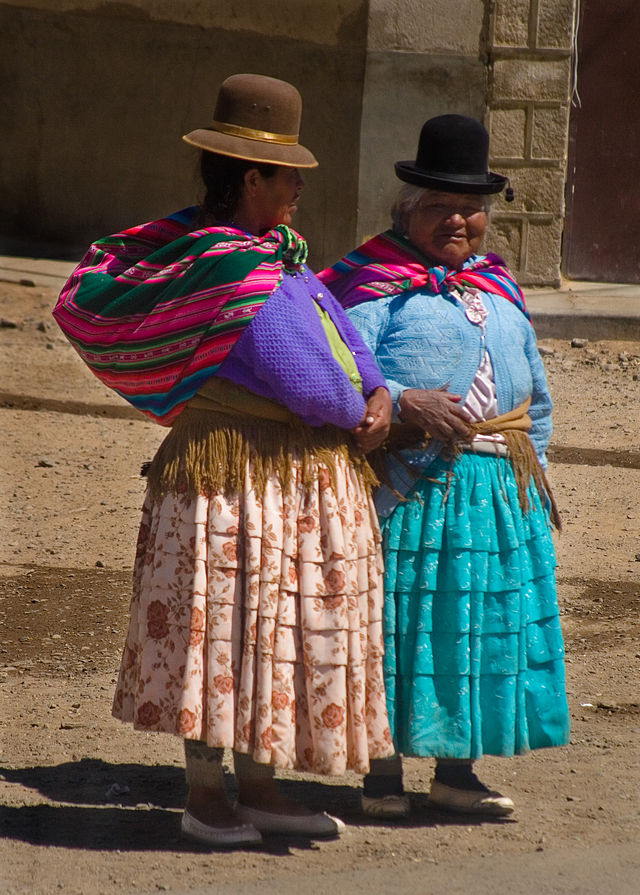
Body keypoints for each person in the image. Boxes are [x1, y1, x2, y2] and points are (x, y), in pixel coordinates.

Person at [53, 73, 394, 847]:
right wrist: (361, 412)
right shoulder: (227, 271)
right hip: (234, 480)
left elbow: (337, 325)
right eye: (288, 174)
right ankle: (207, 795)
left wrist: (377, 385)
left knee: (268, 632)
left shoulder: (278, 256)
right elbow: (301, 373)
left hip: (282, 479)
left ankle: (261, 785)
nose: (300, 187)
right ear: (250, 181)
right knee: (222, 630)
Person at [319, 114, 570, 819]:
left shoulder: (499, 290)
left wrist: (531, 471)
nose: (457, 219)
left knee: (476, 627)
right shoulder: (372, 284)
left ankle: (458, 772)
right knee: (398, 625)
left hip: (496, 490)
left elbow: (535, 395)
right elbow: (336, 368)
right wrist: (405, 398)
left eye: (470, 207)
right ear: (407, 210)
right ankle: (381, 775)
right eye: (439, 206)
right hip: (410, 487)